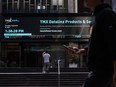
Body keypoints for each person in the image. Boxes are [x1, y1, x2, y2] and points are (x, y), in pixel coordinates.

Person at [65, 0, 116, 87]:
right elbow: (100, 43)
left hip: (103, 70)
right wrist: (82, 50)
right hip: (99, 70)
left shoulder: (106, 14)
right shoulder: (96, 16)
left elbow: (113, 43)